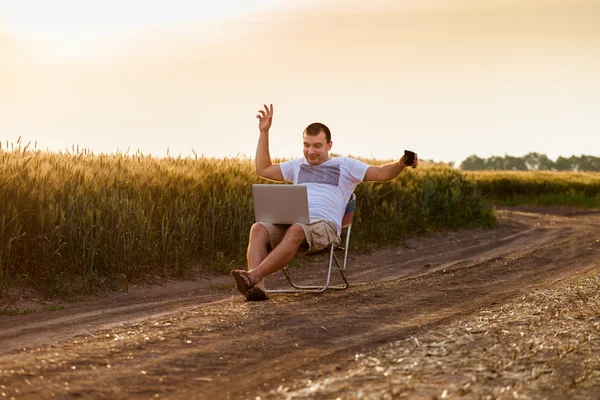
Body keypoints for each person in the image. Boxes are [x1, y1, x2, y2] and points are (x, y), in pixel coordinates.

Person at [231, 104, 419, 301]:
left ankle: (252, 276)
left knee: (297, 229)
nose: (310, 151)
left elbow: (382, 173)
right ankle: (257, 288)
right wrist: (264, 132)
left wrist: (400, 164)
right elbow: (263, 169)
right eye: (306, 145)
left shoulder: (345, 165)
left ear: (329, 145)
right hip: (294, 223)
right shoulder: (297, 166)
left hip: (324, 227)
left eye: (317, 146)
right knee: (258, 228)